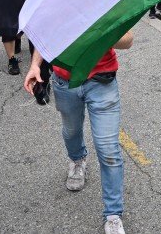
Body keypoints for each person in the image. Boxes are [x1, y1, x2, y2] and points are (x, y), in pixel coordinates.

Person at [25, 32, 134, 234]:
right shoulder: (56, 9)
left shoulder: (104, 9)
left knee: (108, 149)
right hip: (64, 82)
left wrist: (101, 29)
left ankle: (113, 214)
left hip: (102, 82)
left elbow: (128, 41)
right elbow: (44, 32)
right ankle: (77, 160)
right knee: (71, 132)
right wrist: (35, 65)